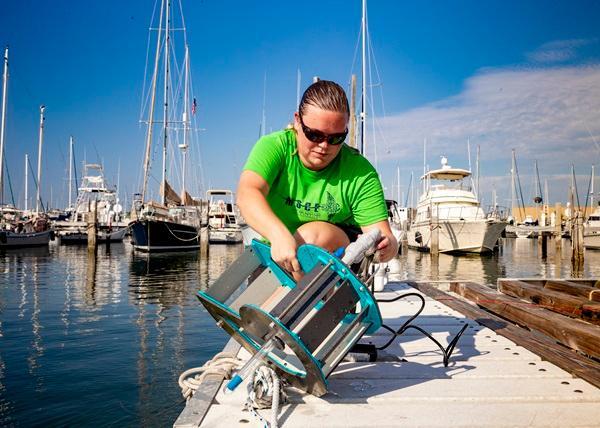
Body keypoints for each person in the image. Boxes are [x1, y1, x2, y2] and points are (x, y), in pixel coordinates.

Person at [237, 80, 398, 277]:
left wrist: (387, 247)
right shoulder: (274, 146)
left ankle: (304, 302)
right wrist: (278, 235)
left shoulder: (361, 172)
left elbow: (384, 236)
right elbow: (247, 193)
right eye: (314, 135)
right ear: (297, 121)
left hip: (337, 262)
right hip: (277, 255)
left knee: (310, 240)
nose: (324, 146)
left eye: (336, 138)